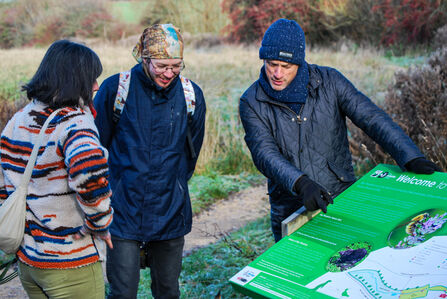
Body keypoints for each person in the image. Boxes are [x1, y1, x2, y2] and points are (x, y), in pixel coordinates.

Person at [239, 18, 441, 243]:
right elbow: (264, 153)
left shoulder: (330, 81)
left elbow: (371, 117)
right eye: (271, 64)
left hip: (340, 196)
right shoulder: (251, 101)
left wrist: (409, 155)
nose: (277, 73)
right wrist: (300, 183)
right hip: (290, 205)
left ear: (299, 62)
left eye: (285, 67)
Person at [94, 24, 206, 299]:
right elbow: (96, 150)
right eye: (161, 65)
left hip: (170, 212)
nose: (169, 73)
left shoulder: (191, 96)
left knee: (168, 291)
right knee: (122, 293)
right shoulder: (114, 90)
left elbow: (191, 155)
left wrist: (174, 185)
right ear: (144, 59)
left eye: (176, 66)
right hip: (122, 213)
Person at [0, 40, 114, 298]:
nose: (96, 85)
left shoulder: (19, 119)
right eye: (91, 78)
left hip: (29, 262)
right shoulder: (75, 123)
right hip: (70, 262)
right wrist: (99, 223)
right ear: (74, 79)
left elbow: (4, 183)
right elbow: (90, 176)